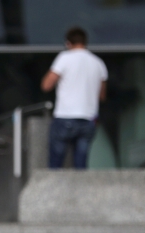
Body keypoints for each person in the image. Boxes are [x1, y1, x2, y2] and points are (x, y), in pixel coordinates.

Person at [40, 26, 108, 169]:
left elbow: (46, 85)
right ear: (85, 42)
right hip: (88, 119)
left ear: (68, 43)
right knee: (80, 167)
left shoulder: (65, 58)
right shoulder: (98, 63)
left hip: (65, 116)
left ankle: (53, 191)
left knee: (55, 167)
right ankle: (80, 192)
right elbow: (102, 96)